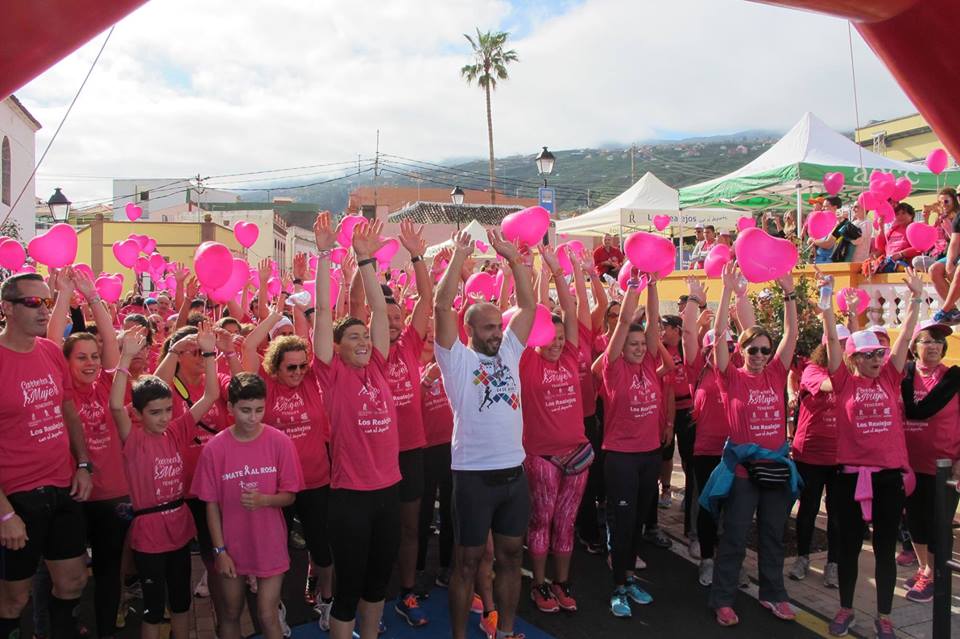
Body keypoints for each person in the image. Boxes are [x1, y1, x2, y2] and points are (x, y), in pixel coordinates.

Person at [434, 228, 537, 639]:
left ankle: (506, 630)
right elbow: (442, 306)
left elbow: (528, 306)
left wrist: (514, 259)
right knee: (467, 561)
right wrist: (458, 256)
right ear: (471, 330)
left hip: (514, 474)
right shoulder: (455, 361)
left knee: (511, 556)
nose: (497, 332)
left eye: (499, 325)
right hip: (473, 477)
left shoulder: (511, 350)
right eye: (488, 327)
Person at [312, 213, 402, 639]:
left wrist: (367, 262)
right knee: (348, 590)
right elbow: (322, 319)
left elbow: (379, 313)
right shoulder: (332, 374)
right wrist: (327, 255)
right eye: (353, 338)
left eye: (364, 337)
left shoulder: (379, 368)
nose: (363, 341)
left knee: (376, 584)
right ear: (338, 347)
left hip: (388, 491)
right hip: (350, 497)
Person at [821, 268, 923, 639]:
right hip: (850, 477)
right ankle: (846, 608)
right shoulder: (843, 380)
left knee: (883, 549)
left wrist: (913, 299)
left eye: (879, 352)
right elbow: (833, 340)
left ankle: (884, 616)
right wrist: (828, 307)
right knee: (849, 548)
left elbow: (906, 336)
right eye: (868, 355)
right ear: (854, 360)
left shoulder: (891, 377)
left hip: (887, 479)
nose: (877, 358)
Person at [110, 325, 220, 639]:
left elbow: (211, 395)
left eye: (168, 410)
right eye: (155, 412)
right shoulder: (132, 438)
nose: (163, 417)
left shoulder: (176, 430)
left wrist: (211, 352)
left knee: (182, 600)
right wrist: (126, 358)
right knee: (154, 608)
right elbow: (116, 405)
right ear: (139, 414)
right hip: (149, 532)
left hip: (178, 525)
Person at [0, 273, 93, 639]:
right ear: (7, 308)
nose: (44, 310)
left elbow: (68, 410)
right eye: (33, 303)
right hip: (15, 497)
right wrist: (4, 512)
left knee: (72, 583)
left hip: (61, 487)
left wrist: (83, 463)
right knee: (13, 600)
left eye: (48, 300)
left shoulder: (52, 351)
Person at [707, 262, 798, 627]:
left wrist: (789, 291)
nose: (760, 355)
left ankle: (773, 594)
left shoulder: (777, 372)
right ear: (742, 350)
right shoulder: (731, 377)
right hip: (744, 474)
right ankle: (723, 599)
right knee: (733, 538)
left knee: (774, 536)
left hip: (776, 470)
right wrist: (727, 290)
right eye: (753, 350)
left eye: (764, 349)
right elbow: (716, 337)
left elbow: (791, 334)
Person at [240, 304, 335, 628]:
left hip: (315, 479)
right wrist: (274, 313)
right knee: (275, 551)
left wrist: (297, 315)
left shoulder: (310, 381)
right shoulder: (265, 384)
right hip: (276, 487)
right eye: (290, 368)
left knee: (321, 547)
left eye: (300, 367)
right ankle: (276, 607)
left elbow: (307, 339)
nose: (297, 373)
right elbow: (249, 346)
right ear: (275, 368)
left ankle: (326, 600)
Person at [48, 268, 131, 639]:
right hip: (72, 495)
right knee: (72, 575)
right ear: (65, 364)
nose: (91, 362)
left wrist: (93, 297)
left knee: (110, 572)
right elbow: (51, 342)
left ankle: (105, 632)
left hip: (112, 493)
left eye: (94, 356)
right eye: (81, 357)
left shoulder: (109, 385)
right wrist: (64, 294)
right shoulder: (61, 389)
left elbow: (112, 345)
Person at [193, 373, 304, 639]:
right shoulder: (215, 449)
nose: (253, 418)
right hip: (232, 545)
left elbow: (290, 496)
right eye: (245, 411)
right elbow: (210, 506)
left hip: (270, 542)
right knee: (231, 612)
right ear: (230, 408)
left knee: (268, 614)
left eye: (259, 410)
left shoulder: (279, 442)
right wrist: (220, 550)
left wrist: (265, 500)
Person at [519, 245, 588, 614]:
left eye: (561, 338)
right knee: (541, 520)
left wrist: (560, 272)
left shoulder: (572, 355)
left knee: (566, 521)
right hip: (541, 456)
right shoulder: (528, 363)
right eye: (551, 338)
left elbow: (572, 312)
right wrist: (532, 271)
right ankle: (540, 584)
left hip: (577, 454)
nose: (557, 342)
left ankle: (562, 583)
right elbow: (529, 314)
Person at [595, 270, 664, 618]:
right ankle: (617, 586)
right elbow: (625, 322)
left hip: (648, 456)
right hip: (620, 457)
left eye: (641, 345)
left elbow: (652, 324)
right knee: (621, 523)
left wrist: (654, 286)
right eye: (632, 345)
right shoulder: (613, 368)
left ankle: (630, 578)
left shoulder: (651, 362)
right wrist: (633, 291)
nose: (638, 348)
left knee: (637, 521)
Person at [680, 276, 755, 587]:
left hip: (736, 450)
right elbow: (686, 334)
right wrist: (697, 300)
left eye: (721, 345)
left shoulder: (738, 366)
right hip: (707, 450)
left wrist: (738, 295)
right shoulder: (696, 367)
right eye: (712, 345)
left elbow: (751, 332)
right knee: (709, 509)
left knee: (735, 514)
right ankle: (708, 560)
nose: (716, 349)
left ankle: (733, 563)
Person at [900, 319, 960, 603]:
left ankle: (935, 577)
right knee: (916, 522)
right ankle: (925, 567)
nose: (934, 346)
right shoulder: (904, 376)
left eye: (938, 341)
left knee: (938, 526)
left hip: (943, 467)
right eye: (927, 340)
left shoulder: (953, 379)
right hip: (909, 465)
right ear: (914, 346)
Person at [874, 202, 920, 273]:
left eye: (903, 213)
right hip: (888, 261)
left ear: (911, 215)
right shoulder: (893, 230)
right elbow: (880, 247)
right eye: (897, 214)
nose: (900, 216)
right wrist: (881, 227)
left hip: (904, 263)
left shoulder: (914, 229)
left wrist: (900, 254)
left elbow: (918, 248)